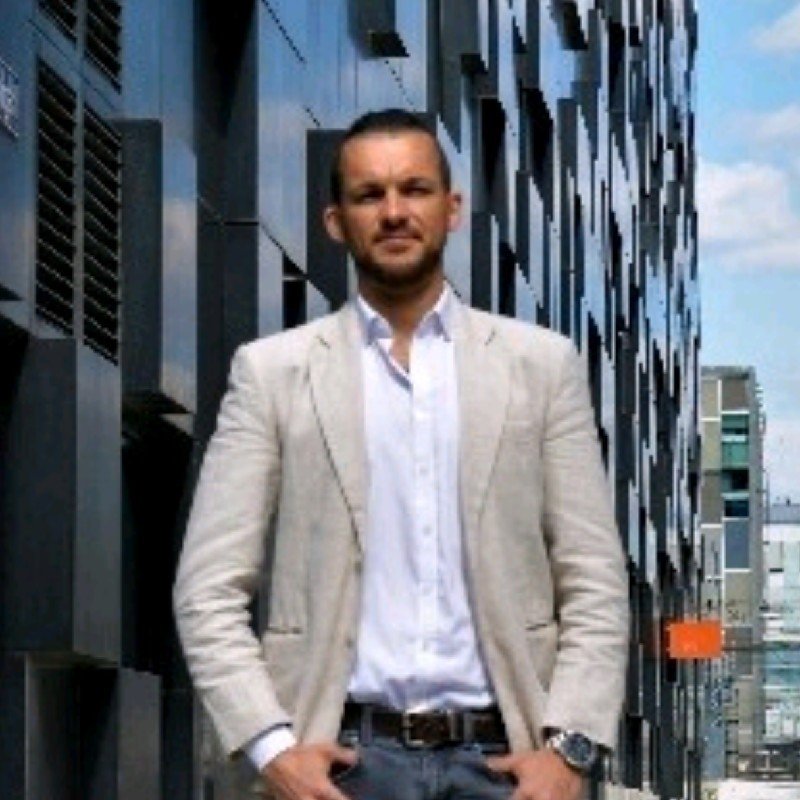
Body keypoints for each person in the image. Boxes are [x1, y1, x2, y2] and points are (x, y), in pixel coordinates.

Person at [174, 108, 629, 800]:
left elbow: (593, 576)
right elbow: (207, 588)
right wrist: (271, 747)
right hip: (339, 766)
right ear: (335, 221)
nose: (393, 211)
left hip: (507, 764)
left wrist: (569, 752)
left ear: (452, 210)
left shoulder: (541, 366)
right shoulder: (272, 374)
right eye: (369, 195)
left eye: (414, 189)